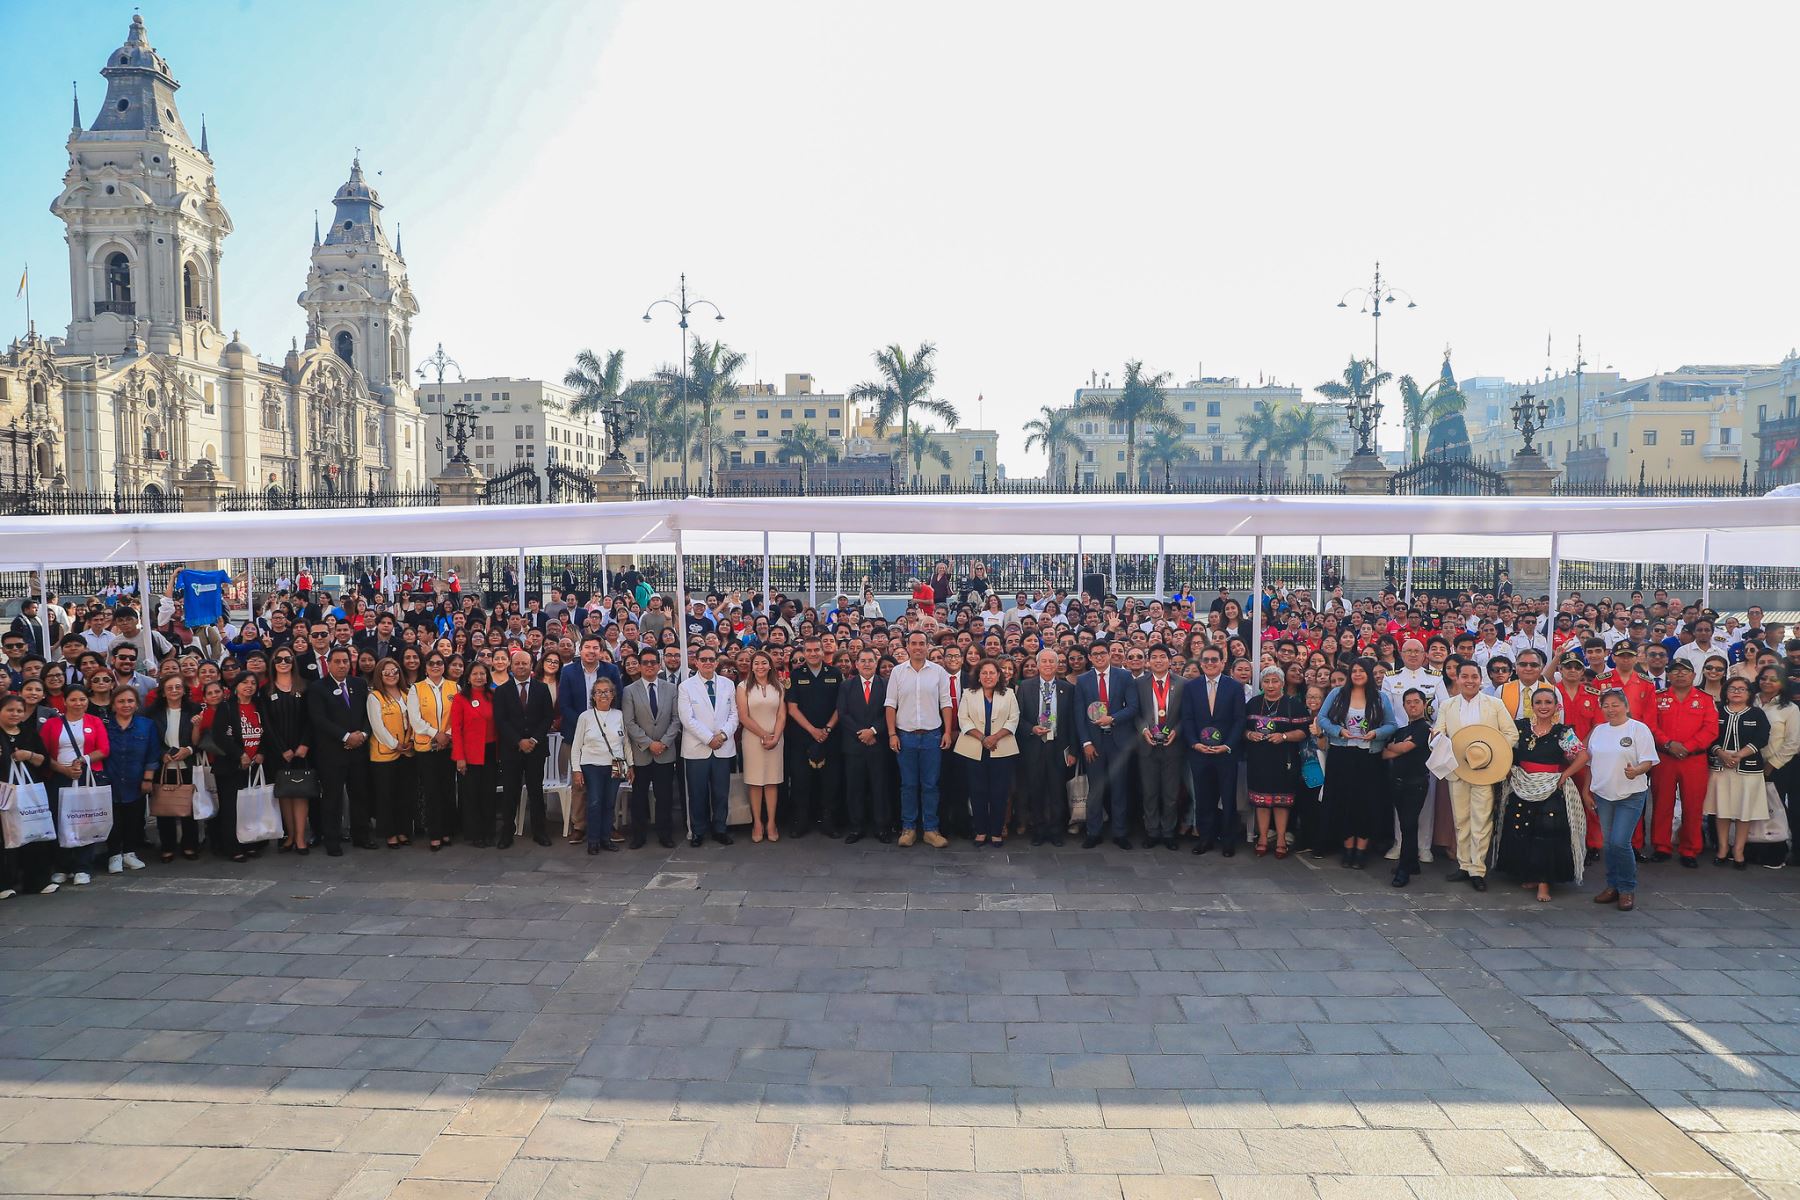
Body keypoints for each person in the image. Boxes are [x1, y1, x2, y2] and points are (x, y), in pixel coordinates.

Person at [1494, 689, 1591, 903]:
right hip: (1521, 785)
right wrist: (1509, 771)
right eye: (1538, 702)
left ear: (1557, 706)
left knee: (1545, 834)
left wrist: (1565, 775)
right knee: (1522, 830)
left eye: (1548, 702)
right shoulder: (1519, 728)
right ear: (1532, 705)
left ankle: (1544, 882)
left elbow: (1583, 755)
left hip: (1550, 787)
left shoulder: (1562, 732)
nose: (1543, 706)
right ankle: (1529, 874)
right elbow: (1502, 749)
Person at [1434, 660, 1518, 893]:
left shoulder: (1495, 704)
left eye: (1474, 676)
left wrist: (1494, 752)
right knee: (1460, 818)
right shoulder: (1447, 706)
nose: (1470, 681)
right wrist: (1439, 741)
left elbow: (1510, 734)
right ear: (1457, 679)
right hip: (1458, 768)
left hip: (1485, 769)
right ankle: (1463, 864)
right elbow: (1438, 731)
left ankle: (1477, 869)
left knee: (1481, 820)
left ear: (1481, 680)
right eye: (1465, 676)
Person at [1316, 657, 1396, 869]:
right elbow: (1322, 718)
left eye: (1362, 671)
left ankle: (1361, 849)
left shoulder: (1380, 698)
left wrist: (1376, 733)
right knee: (1344, 801)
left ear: (1369, 674)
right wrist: (1337, 731)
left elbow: (1391, 724)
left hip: (1369, 757)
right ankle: (1347, 847)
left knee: (1365, 803)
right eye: (1355, 670)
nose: (1358, 674)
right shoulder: (1337, 694)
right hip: (1342, 754)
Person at [1587, 689, 1659, 911]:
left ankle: (1627, 888)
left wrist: (1636, 771)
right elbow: (1589, 763)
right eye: (1606, 705)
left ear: (1626, 706)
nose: (1611, 709)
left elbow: (1649, 761)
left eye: (1615, 704)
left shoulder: (1638, 729)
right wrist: (1585, 789)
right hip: (1603, 794)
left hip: (1630, 794)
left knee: (1620, 842)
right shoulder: (1598, 731)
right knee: (1608, 844)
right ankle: (1612, 886)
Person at [885, 630, 953, 848]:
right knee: (908, 785)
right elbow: (890, 705)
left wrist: (947, 731)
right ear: (907, 646)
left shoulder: (938, 672)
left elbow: (946, 704)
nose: (917, 647)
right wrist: (892, 734)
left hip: (932, 736)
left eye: (921, 644)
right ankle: (909, 829)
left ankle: (931, 830)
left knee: (931, 785)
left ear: (927, 646)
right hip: (905, 737)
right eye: (913, 643)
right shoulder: (897, 672)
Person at [304, 646, 372, 856]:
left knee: (360, 795)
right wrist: (345, 736)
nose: (342, 665)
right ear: (329, 664)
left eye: (345, 661)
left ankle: (362, 836)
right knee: (332, 798)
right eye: (338, 661)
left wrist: (362, 735)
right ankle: (332, 840)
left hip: (358, 750)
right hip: (332, 753)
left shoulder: (358, 684)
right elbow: (319, 719)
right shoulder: (317, 687)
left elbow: (368, 714)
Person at [40, 685, 109, 887]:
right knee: (60, 820)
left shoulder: (94, 721)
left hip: (87, 775)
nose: (78, 703)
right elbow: (44, 754)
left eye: (82, 699)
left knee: (84, 820)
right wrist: (63, 769)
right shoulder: (52, 724)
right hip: (59, 776)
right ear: (65, 702)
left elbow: (104, 749)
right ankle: (62, 866)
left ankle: (82, 866)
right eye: (73, 700)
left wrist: (82, 760)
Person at [1650, 658, 1716, 867]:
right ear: (1668, 675)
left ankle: (1690, 849)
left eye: (1685, 671)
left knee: (1693, 806)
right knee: (1662, 805)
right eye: (1675, 671)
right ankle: (1661, 846)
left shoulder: (1705, 699)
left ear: (1693, 675)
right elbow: (1650, 725)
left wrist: (1687, 746)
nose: (1680, 674)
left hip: (1693, 759)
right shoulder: (1657, 697)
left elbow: (1711, 729)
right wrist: (1669, 744)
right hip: (1665, 758)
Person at [1242, 664, 1310, 858]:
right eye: (1267, 681)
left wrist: (1284, 736)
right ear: (1262, 683)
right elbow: (1242, 729)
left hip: (1284, 760)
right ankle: (1262, 838)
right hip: (1258, 759)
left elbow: (1303, 732)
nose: (1270, 685)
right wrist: (1249, 734)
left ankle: (1280, 838)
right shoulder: (1253, 703)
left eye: (1275, 681)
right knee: (1261, 801)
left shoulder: (1292, 704)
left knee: (1281, 801)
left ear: (1282, 683)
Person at [1182, 645, 1242, 856]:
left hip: (1225, 753)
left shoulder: (1234, 687)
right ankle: (1205, 839)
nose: (1209, 663)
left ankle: (1228, 841)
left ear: (1222, 662)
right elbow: (1187, 719)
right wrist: (1193, 743)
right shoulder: (1191, 687)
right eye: (1205, 660)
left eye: (1214, 660)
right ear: (1201, 663)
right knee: (1203, 797)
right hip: (1200, 752)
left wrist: (1228, 746)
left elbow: (1238, 720)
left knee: (1227, 798)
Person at [1706, 676, 1771, 869]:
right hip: (1720, 768)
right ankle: (1723, 849)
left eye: (1742, 689)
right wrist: (1721, 753)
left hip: (1748, 769)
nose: (1737, 692)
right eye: (1732, 688)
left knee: (1744, 812)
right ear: (1725, 692)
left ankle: (1739, 851)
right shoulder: (1716, 711)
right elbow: (1708, 735)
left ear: (1749, 693)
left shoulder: (1757, 714)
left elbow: (1762, 738)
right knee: (1722, 810)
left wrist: (1739, 755)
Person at [678, 648, 738, 847]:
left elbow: (734, 715)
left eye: (711, 659)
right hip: (697, 748)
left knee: (721, 792)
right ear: (696, 662)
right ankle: (698, 831)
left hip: (722, 746)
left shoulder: (728, 684)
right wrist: (708, 738)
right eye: (703, 659)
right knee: (697, 793)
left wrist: (721, 735)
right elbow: (687, 719)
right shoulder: (686, 687)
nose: (707, 663)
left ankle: (720, 829)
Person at [493, 649, 553, 848]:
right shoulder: (502, 691)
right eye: (517, 663)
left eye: (524, 663)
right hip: (512, 750)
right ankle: (507, 833)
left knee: (536, 790)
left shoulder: (542, 689)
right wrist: (518, 741)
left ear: (531, 665)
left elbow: (547, 717)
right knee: (511, 791)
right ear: (511, 666)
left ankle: (539, 831)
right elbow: (501, 721)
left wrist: (534, 739)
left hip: (536, 749)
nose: (521, 667)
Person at [621, 647, 680, 850]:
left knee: (664, 796)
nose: (649, 666)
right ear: (639, 665)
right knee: (639, 797)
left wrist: (663, 742)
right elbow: (629, 722)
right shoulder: (629, 690)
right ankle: (639, 835)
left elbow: (675, 719)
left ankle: (665, 834)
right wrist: (648, 743)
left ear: (659, 664)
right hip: (642, 753)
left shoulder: (671, 689)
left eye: (653, 662)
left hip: (665, 751)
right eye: (645, 662)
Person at [956, 657, 1018, 847]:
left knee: (999, 792)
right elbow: (963, 719)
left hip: (1001, 749)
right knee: (977, 791)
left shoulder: (1008, 694)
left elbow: (1013, 718)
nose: (988, 676)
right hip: (975, 748)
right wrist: (983, 738)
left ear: (999, 675)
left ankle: (997, 832)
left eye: (992, 672)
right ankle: (981, 831)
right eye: (984, 673)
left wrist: (995, 737)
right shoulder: (968, 693)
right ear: (978, 676)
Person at [1015, 647, 1074, 847]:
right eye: (1044, 661)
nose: (1048, 665)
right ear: (1037, 665)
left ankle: (1056, 830)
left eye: (1052, 662)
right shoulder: (1025, 687)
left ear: (1057, 665)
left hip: (1058, 746)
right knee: (1036, 789)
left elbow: (1072, 722)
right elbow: (1018, 718)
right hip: (1034, 745)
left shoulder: (1067, 688)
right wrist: (1032, 728)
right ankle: (1039, 830)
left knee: (1057, 791)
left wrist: (1072, 750)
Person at [786, 636, 842, 839]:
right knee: (801, 782)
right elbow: (792, 708)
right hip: (803, 737)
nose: (812, 654)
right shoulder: (796, 674)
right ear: (804, 652)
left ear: (823, 650)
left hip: (830, 737)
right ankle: (801, 822)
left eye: (816, 650)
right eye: (808, 650)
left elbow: (840, 706)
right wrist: (813, 730)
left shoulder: (834, 673)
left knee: (830, 782)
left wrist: (826, 729)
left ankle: (828, 822)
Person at [1135, 644, 1186, 850]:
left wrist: (1178, 730)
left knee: (1171, 793)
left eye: (1162, 657)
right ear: (1148, 661)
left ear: (1169, 660)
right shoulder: (1139, 684)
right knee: (1149, 792)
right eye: (1154, 657)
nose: (1158, 660)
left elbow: (1187, 715)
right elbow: (1134, 713)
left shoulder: (1182, 683)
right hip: (1147, 746)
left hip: (1173, 746)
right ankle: (1152, 831)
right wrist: (1143, 730)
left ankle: (1168, 832)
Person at [262, 647, 312, 855]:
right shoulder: (266, 690)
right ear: (273, 663)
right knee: (284, 794)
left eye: (287, 659)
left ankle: (300, 837)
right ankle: (289, 835)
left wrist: (304, 745)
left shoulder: (305, 687)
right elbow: (267, 723)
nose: (283, 662)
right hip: (278, 751)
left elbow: (311, 719)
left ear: (293, 662)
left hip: (302, 750)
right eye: (278, 659)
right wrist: (282, 749)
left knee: (300, 794)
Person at [0, 694, 51, 895]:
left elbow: (44, 761)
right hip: (4, 793)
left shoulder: (28, 733)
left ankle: (36, 881)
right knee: (5, 836)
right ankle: (4, 883)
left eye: (19, 711)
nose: (15, 714)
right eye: (10, 710)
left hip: (28, 792)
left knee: (33, 832)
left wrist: (28, 755)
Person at [100, 687, 155, 874]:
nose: (126, 705)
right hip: (110, 778)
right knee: (113, 819)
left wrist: (148, 777)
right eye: (121, 701)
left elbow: (152, 753)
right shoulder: (105, 725)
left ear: (137, 704)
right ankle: (114, 855)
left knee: (134, 818)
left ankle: (130, 853)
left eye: (130, 701)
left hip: (136, 778)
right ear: (113, 705)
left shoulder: (146, 725)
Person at [408, 652, 459, 851]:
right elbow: (415, 718)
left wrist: (447, 734)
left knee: (447, 789)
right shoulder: (417, 688)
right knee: (431, 791)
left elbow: (458, 715)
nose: (436, 666)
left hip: (448, 745)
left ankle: (447, 831)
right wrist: (435, 733)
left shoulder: (454, 687)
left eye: (439, 663)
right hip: (426, 747)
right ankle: (435, 833)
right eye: (431, 663)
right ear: (426, 666)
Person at [571, 678, 628, 855]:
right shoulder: (585, 717)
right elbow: (576, 745)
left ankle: (606, 838)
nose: (603, 695)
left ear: (613, 695)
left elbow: (626, 743)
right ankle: (593, 840)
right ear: (593, 696)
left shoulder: (619, 715)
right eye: (599, 692)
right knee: (595, 802)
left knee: (610, 803)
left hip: (615, 764)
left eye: (607, 691)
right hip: (591, 765)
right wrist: (576, 770)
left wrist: (631, 765)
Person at [1382, 689, 1432, 887]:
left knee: (1409, 825)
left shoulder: (1424, 729)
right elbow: (1384, 754)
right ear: (1403, 706)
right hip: (1398, 783)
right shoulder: (1401, 731)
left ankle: (1404, 869)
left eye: (1416, 701)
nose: (1412, 705)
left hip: (1416, 783)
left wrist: (1397, 747)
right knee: (1405, 825)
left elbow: (1402, 749)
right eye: (1408, 702)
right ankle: (1412, 863)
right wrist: (1399, 746)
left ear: (1423, 704)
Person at [150, 675, 201, 862]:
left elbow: (201, 738)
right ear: (162, 692)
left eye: (178, 687)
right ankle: (167, 846)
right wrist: (161, 753)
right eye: (169, 688)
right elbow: (150, 738)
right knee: (165, 808)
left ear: (184, 690)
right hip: (164, 765)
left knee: (188, 807)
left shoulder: (194, 710)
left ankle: (190, 844)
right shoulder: (153, 713)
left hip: (187, 764)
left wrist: (188, 750)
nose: (174, 691)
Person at [737, 650, 787, 843]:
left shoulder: (779, 687)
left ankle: (771, 822)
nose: (760, 666)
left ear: (770, 665)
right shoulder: (743, 687)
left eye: (764, 663)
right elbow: (743, 716)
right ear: (751, 666)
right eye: (756, 663)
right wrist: (764, 735)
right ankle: (757, 822)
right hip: (752, 739)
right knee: (755, 782)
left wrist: (775, 737)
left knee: (772, 781)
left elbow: (782, 715)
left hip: (776, 739)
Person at [366, 658, 415, 849]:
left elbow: (414, 719)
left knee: (404, 793)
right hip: (384, 754)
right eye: (386, 672)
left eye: (394, 671)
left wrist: (410, 741)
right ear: (379, 675)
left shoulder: (407, 693)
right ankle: (390, 833)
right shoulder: (375, 696)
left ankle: (403, 830)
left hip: (407, 752)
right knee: (386, 795)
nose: (391, 675)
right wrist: (395, 744)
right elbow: (377, 727)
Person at [450, 661, 497, 847]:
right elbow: (456, 729)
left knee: (488, 794)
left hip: (491, 750)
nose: (479, 677)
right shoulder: (460, 699)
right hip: (470, 753)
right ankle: (475, 833)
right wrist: (459, 757)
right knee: (471, 795)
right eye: (475, 674)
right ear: (468, 678)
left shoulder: (493, 695)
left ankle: (489, 831)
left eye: (483, 674)